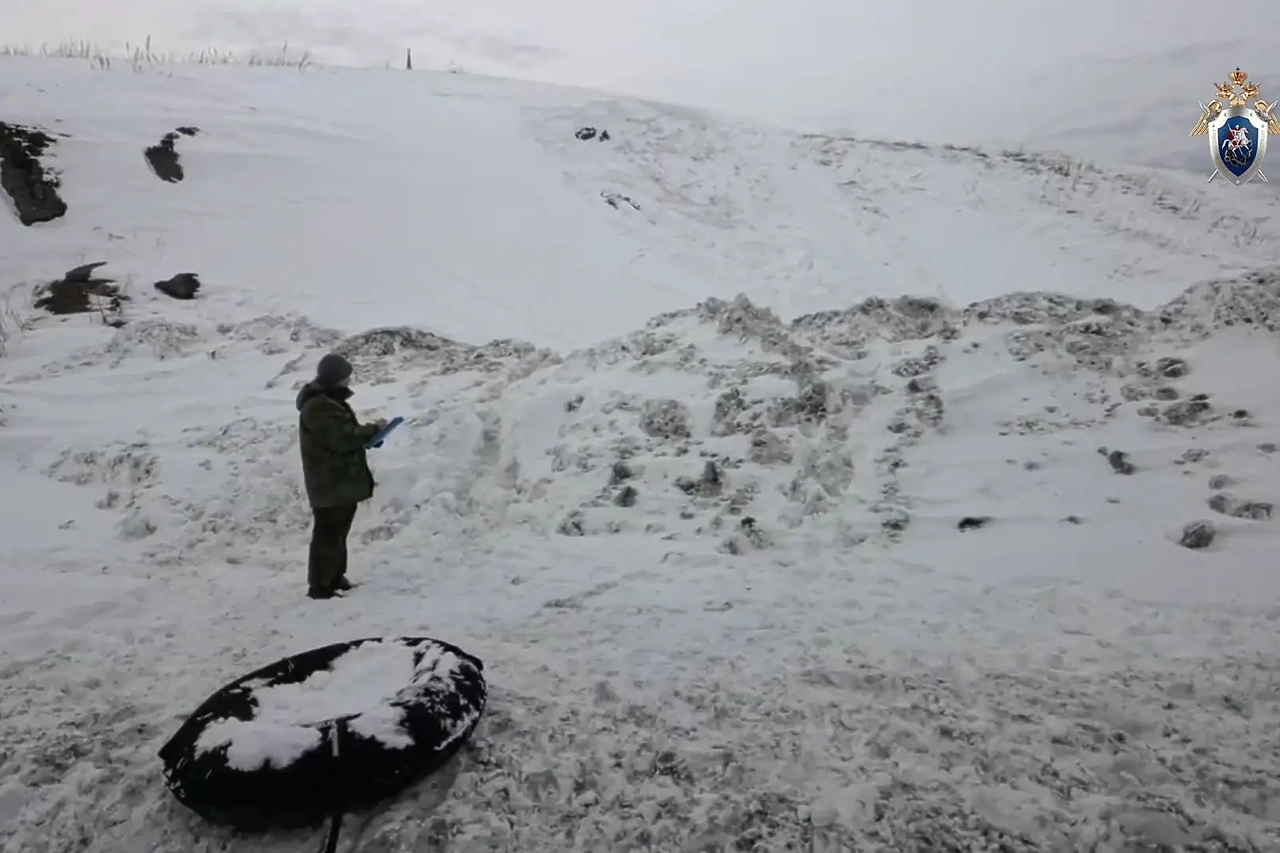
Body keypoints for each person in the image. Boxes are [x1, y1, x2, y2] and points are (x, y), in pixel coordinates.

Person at [295, 353, 387, 599]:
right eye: (346, 377)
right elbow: (342, 438)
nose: (349, 381)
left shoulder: (326, 401)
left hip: (337, 480)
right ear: (336, 378)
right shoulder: (319, 406)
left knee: (337, 533)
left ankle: (335, 577)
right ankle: (321, 586)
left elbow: (342, 435)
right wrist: (372, 430)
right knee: (328, 534)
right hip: (330, 481)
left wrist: (368, 436)